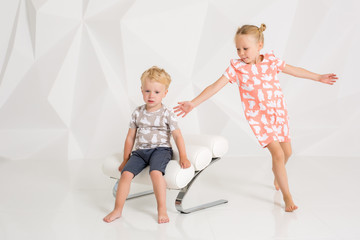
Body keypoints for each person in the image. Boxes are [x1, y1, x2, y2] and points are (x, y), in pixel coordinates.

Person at [174, 24, 337, 212]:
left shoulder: (271, 61)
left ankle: (277, 172)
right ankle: (287, 196)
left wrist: (318, 77)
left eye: (245, 48)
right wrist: (192, 103)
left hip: (278, 113)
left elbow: (295, 70)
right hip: (258, 118)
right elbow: (214, 86)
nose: (241, 53)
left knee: (287, 152)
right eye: (238, 49)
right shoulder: (237, 68)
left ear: (259, 46)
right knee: (277, 154)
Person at [104, 66, 191, 224]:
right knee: (125, 175)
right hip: (140, 152)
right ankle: (117, 209)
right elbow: (130, 137)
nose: (151, 96)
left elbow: (177, 135)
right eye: (147, 91)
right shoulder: (137, 112)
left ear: (164, 93)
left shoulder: (166, 113)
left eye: (157, 92)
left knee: (155, 173)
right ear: (142, 90)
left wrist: (183, 156)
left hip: (161, 150)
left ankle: (162, 209)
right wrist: (126, 159)